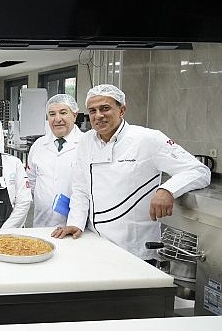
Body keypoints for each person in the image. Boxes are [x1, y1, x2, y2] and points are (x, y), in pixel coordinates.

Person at [52, 84, 211, 261]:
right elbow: (80, 189)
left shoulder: (148, 139)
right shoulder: (86, 141)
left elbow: (199, 170)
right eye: (92, 110)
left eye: (105, 108)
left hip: (135, 249)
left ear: (122, 110)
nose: (98, 115)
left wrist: (167, 190)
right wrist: (75, 223)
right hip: (95, 243)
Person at [27, 94, 84, 227]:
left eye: (63, 113)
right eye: (52, 114)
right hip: (42, 222)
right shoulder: (38, 145)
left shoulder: (86, 144)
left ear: (74, 115)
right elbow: (32, 180)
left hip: (76, 224)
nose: (57, 119)